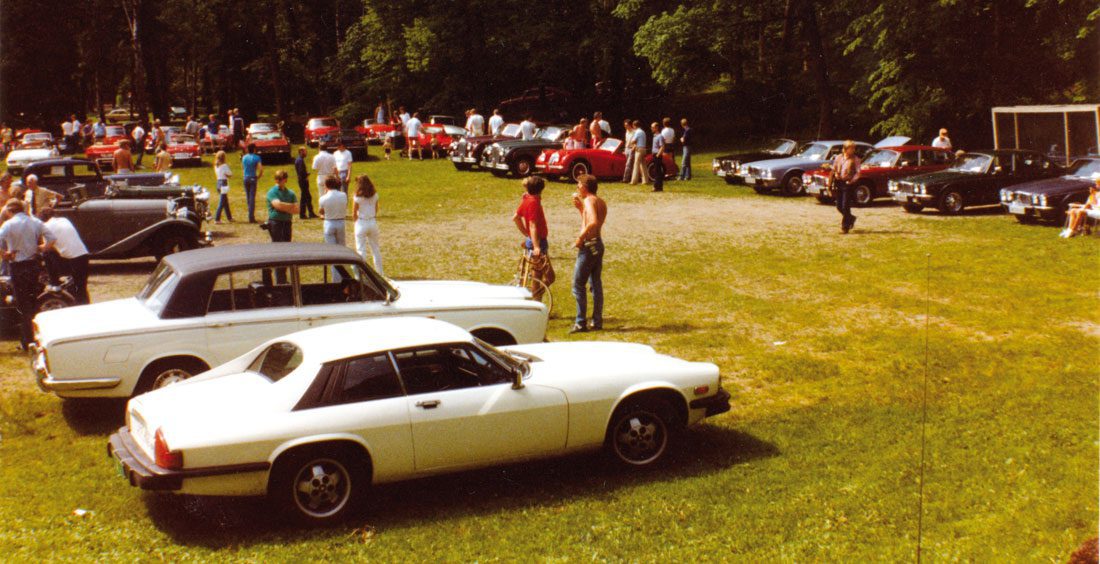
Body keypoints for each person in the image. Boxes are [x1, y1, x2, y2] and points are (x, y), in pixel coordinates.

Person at [0, 199, 56, 348]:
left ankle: (27, 341)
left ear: (10, 211)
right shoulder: (35, 222)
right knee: (33, 301)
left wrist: (4, 254)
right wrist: (42, 248)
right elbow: (52, 238)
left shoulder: (8, 224)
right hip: (33, 264)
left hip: (17, 265)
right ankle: (37, 337)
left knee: (22, 304)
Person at [570, 174, 606, 333]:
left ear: (585, 187)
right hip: (598, 244)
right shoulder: (600, 201)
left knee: (578, 285)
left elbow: (593, 222)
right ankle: (597, 321)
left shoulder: (589, 201)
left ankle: (580, 322)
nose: (577, 187)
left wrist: (580, 238)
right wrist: (580, 209)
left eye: (579, 184)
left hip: (588, 246)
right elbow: (591, 221)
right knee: (595, 284)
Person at [38, 206, 90, 305]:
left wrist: (34, 248)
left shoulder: (47, 226)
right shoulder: (64, 220)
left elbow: (47, 247)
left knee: (46, 254)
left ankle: (54, 282)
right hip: (83, 255)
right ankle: (85, 304)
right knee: (81, 287)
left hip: (73, 260)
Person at [830, 140, 862, 234]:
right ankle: (851, 218)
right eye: (851, 148)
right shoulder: (839, 157)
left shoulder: (856, 159)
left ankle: (845, 227)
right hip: (839, 183)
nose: (853, 150)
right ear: (845, 149)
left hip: (848, 184)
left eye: (853, 148)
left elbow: (858, 173)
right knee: (839, 206)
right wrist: (836, 174)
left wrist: (852, 180)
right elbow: (834, 168)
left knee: (845, 206)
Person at [353, 175, 383, 275]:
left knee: (361, 250)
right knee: (376, 249)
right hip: (372, 222)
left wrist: (356, 222)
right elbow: (376, 209)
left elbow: (354, 212)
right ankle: (380, 273)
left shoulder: (357, 197)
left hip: (361, 222)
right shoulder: (375, 195)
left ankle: (361, 274)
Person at [513, 176, 549, 256]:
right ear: (541, 190)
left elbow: (516, 218)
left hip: (531, 239)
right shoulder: (534, 203)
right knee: (539, 264)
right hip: (539, 240)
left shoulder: (526, 200)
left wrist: (527, 234)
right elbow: (532, 225)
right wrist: (536, 246)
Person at [265, 170, 299, 243]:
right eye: (277, 178)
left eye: (280, 179)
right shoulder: (272, 192)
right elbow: (278, 205)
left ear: (285, 180)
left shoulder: (291, 193)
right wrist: (291, 206)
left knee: (287, 244)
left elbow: (297, 210)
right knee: (277, 245)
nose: (278, 181)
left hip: (287, 222)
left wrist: (283, 207)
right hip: (276, 222)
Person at [318, 176, 348, 256]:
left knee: (332, 250)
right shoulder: (343, 195)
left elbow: (321, 211)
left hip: (329, 222)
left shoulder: (323, 198)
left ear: (326, 185)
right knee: (342, 247)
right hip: (341, 222)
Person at [241, 143, 264, 223]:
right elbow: (260, 169)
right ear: (254, 149)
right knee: (252, 198)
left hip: (246, 177)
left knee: (248, 197)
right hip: (253, 178)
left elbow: (243, 168)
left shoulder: (244, 157)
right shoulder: (257, 157)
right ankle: (251, 217)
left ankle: (250, 213)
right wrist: (258, 176)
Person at [294, 147, 317, 219]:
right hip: (303, 181)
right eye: (305, 151)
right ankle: (304, 214)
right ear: (301, 152)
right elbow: (301, 172)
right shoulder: (300, 160)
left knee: (306, 197)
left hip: (302, 180)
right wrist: (306, 175)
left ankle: (309, 213)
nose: (306, 153)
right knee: (306, 197)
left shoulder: (299, 160)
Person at [213, 150, 233, 223]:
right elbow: (230, 174)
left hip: (218, 182)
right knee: (222, 202)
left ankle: (229, 217)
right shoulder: (224, 166)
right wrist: (228, 175)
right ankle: (217, 219)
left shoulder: (216, 166)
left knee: (225, 201)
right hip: (223, 183)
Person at [630, 120, 649, 185]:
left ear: (634, 126)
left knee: (636, 165)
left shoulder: (637, 132)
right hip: (644, 149)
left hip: (639, 149)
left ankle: (634, 181)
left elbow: (633, 141)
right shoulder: (643, 132)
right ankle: (645, 180)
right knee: (643, 165)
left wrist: (632, 143)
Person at [650, 122, 666, 192]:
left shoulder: (660, 136)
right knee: (657, 171)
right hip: (654, 154)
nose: (651, 128)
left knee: (657, 171)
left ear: (656, 128)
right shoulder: (654, 136)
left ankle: (656, 187)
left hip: (657, 155)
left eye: (653, 127)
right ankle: (659, 187)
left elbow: (662, 147)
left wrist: (657, 155)